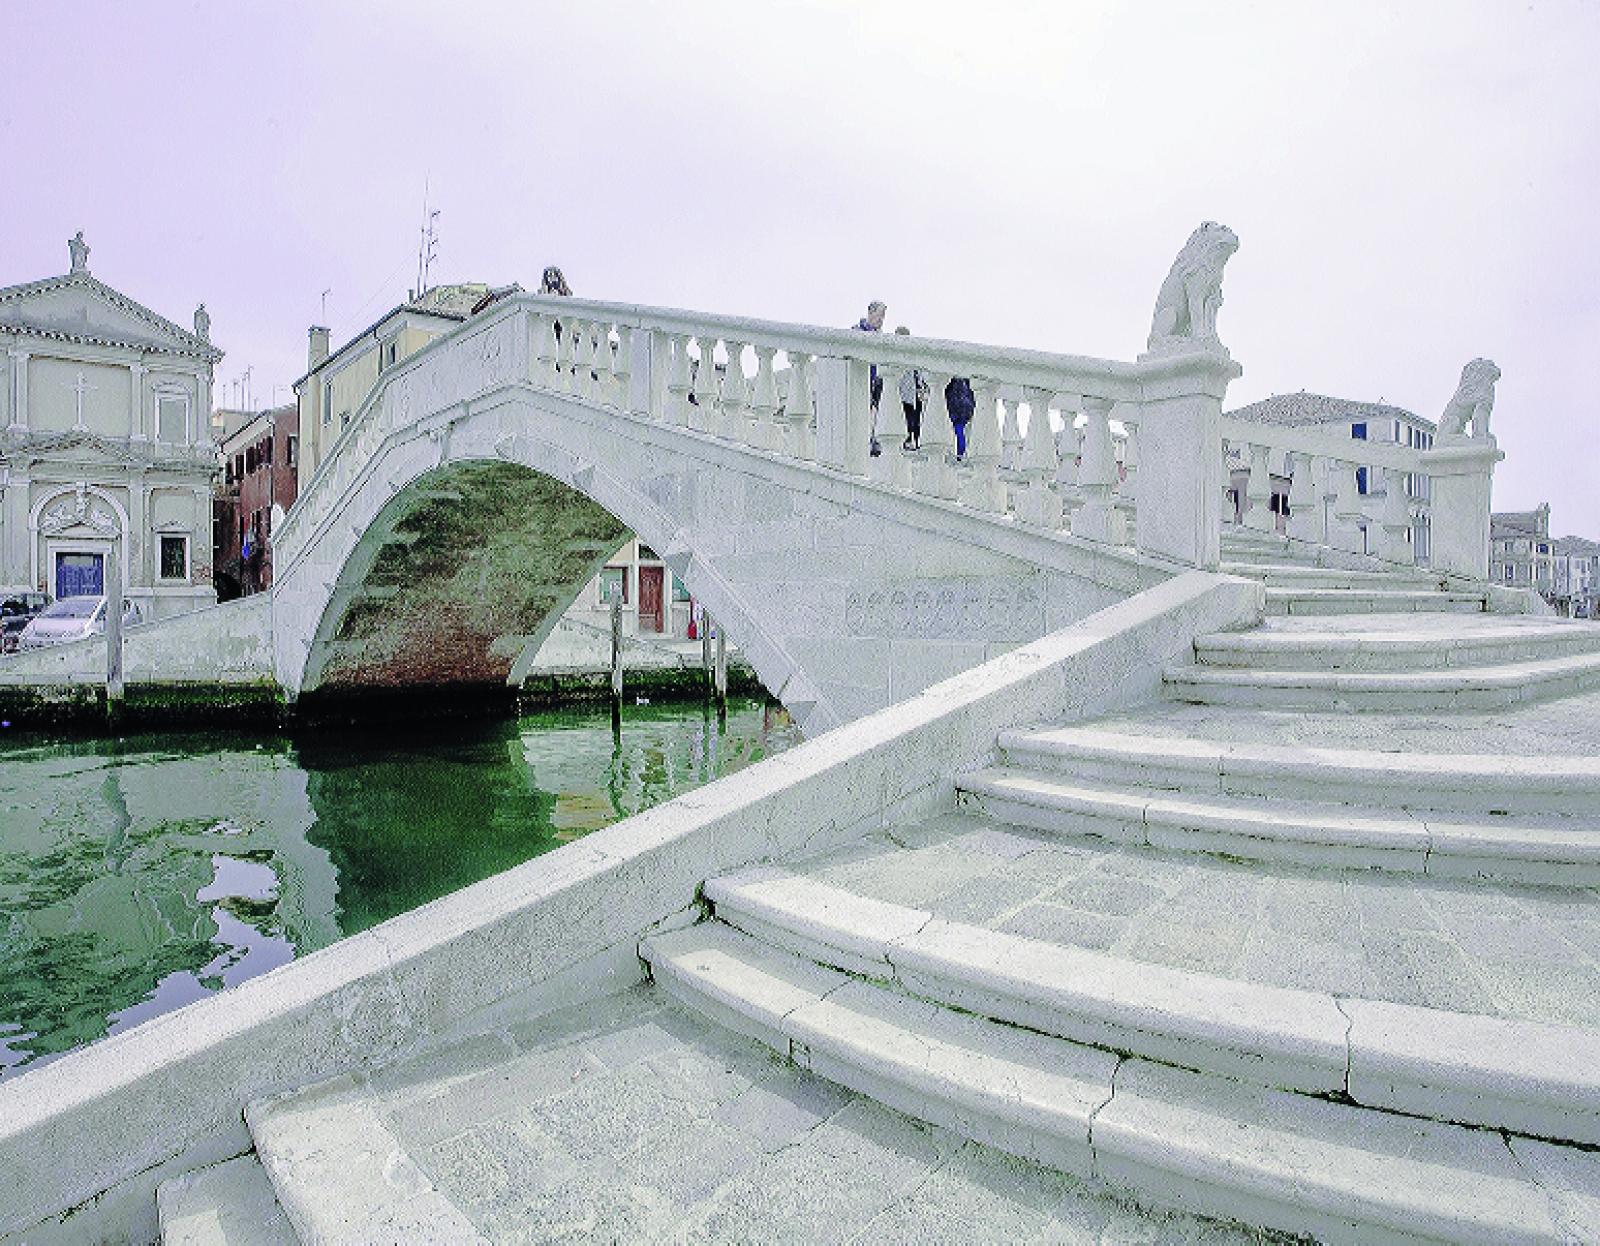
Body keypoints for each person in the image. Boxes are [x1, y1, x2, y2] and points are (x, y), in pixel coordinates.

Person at [854, 301, 887, 456]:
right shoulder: (857, 330)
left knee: (874, 412)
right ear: (870, 313)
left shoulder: (879, 335)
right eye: (879, 315)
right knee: (862, 411)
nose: (881, 319)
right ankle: (863, 442)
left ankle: (872, 441)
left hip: (876, 379)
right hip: (861, 378)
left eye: (883, 316)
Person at [895, 326, 927, 450]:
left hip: (908, 391)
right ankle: (912, 440)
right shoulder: (911, 352)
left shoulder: (906, 352)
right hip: (909, 391)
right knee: (911, 417)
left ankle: (911, 440)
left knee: (910, 417)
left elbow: (917, 372)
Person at [945, 376, 976, 459]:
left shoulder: (953, 378)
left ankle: (959, 453)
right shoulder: (966, 378)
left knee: (958, 431)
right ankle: (961, 453)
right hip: (966, 407)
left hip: (955, 406)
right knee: (961, 431)